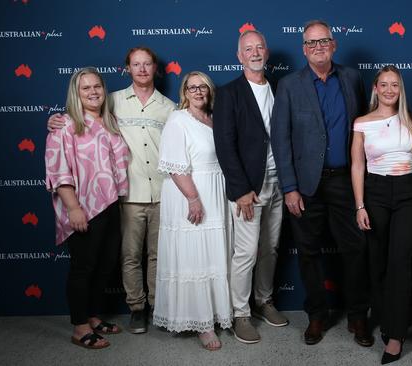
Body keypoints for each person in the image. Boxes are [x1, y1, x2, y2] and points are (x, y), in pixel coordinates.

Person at [48, 47, 176, 334]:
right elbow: (60, 163)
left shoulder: (165, 108)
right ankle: (131, 311)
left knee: (135, 259)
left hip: (141, 197)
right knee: (119, 258)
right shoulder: (109, 105)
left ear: (155, 68)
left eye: (147, 64)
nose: (142, 69)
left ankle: (152, 308)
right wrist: (54, 120)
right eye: (135, 64)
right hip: (111, 200)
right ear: (127, 68)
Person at [270, 19, 372, 347]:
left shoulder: (353, 78)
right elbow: (281, 140)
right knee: (309, 252)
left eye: (323, 41)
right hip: (305, 185)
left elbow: (363, 128)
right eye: (311, 43)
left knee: (355, 249)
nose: (318, 47)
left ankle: (358, 315)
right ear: (304, 49)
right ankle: (317, 315)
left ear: (334, 44)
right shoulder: (288, 85)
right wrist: (289, 188)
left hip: (345, 181)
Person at [45, 67, 129, 349]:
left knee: (105, 266)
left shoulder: (110, 121)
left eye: (97, 86)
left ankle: (93, 317)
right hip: (83, 207)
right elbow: (58, 171)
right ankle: (80, 327)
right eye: (86, 88)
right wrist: (73, 208)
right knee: (83, 267)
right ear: (75, 93)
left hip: (110, 203)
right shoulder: (65, 126)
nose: (93, 92)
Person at [213, 30, 287, 344]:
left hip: (279, 182)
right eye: (248, 49)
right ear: (239, 56)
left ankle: (264, 300)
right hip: (248, 187)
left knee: (270, 248)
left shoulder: (280, 90)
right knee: (245, 252)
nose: (254, 53)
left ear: (266, 53)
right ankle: (240, 313)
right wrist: (241, 189)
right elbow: (225, 145)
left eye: (259, 47)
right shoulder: (229, 93)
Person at [153, 71, 232, 351]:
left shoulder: (212, 119)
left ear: (210, 92)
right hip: (191, 192)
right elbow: (175, 165)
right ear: (184, 92)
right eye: (192, 87)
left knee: (212, 256)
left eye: (203, 87)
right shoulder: (178, 119)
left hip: (215, 191)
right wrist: (193, 198)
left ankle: (214, 313)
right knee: (195, 258)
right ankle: (202, 324)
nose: (198, 92)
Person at [350, 65, 412, 364]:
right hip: (376, 192)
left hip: (409, 192)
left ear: (400, 89)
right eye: (384, 84)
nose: (390, 89)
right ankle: (382, 314)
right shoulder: (362, 122)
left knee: (400, 261)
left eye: (395, 84)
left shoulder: (411, 121)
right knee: (377, 261)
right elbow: (356, 165)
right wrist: (360, 205)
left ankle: (396, 334)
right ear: (375, 88)